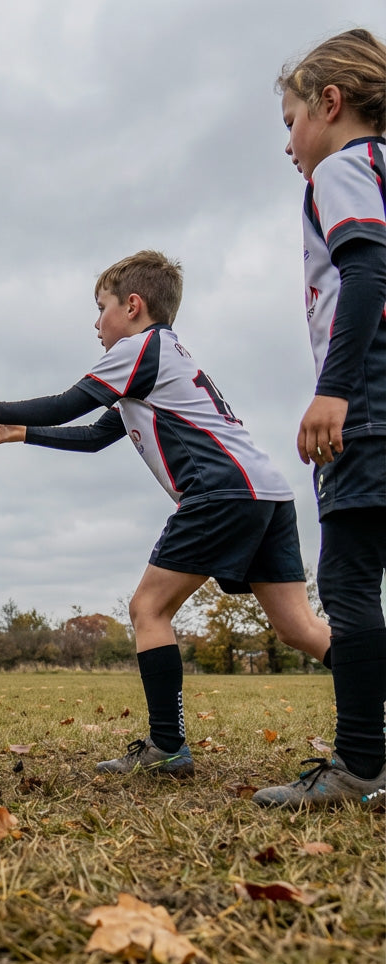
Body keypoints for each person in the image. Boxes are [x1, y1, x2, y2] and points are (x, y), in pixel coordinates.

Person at [0, 250, 331, 780]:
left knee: (148, 608)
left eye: (100, 308)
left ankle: (167, 747)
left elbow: (67, 403)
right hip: (266, 492)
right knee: (299, 628)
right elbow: (93, 436)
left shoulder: (139, 348)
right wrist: (23, 432)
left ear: (132, 306)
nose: (95, 324)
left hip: (221, 492)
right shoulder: (161, 359)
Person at [249, 29, 386, 809]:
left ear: (330, 104)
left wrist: (334, 390)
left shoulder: (344, 167)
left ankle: (362, 765)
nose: (289, 144)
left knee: (348, 579)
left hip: (369, 403)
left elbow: (365, 271)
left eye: (292, 121)